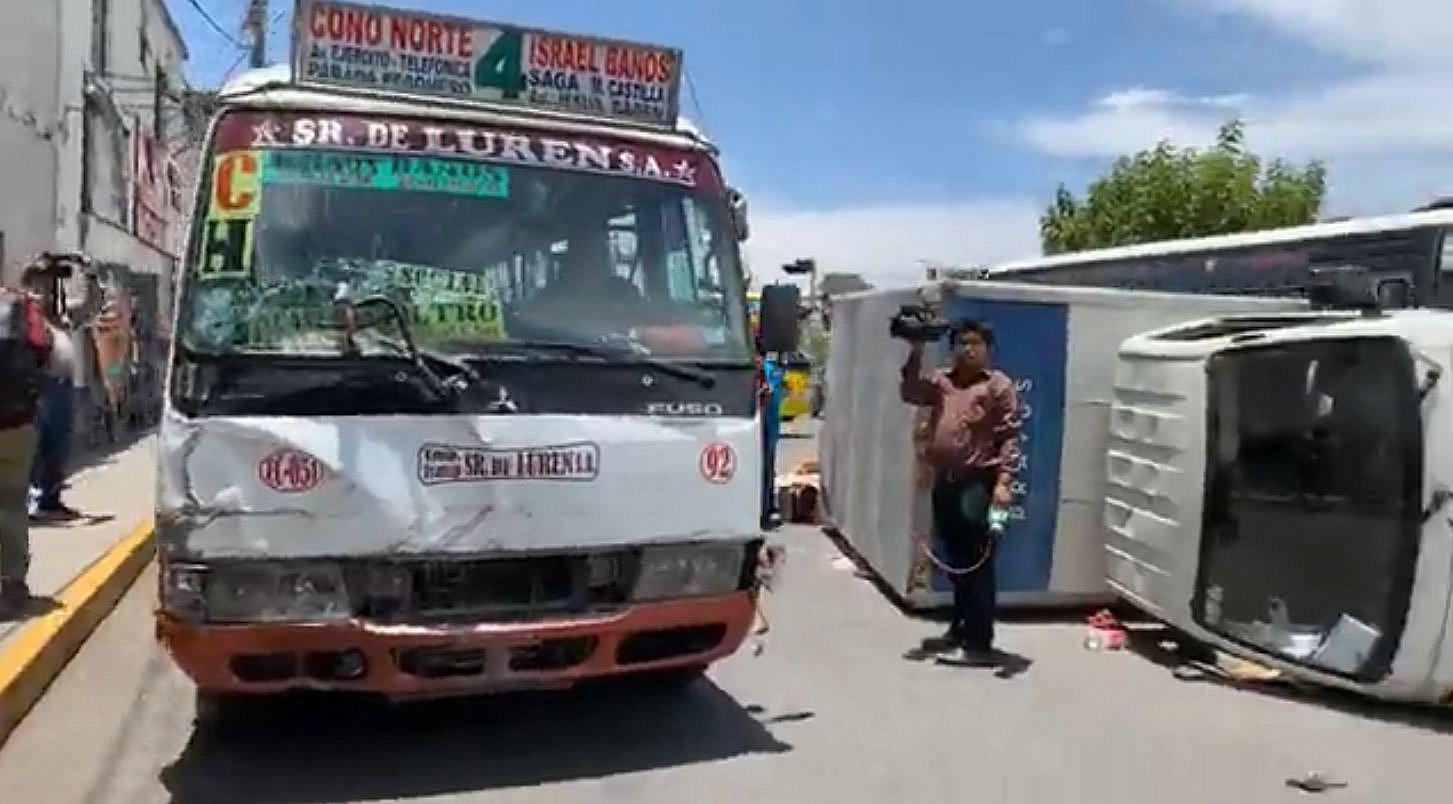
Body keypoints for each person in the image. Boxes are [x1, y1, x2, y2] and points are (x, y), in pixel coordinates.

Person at [899, 319, 1022, 666]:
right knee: (955, 562)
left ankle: (980, 643)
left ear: (988, 349)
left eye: (976, 343)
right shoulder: (942, 382)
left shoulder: (998, 387)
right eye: (962, 342)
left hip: (977, 486)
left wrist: (1003, 482)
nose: (968, 349)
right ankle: (960, 627)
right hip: (947, 483)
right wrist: (916, 350)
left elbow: (1010, 437)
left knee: (978, 564)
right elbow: (910, 392)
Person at [21, 254, 98, 522]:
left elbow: (92, 306)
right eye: (40, 288)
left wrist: (89, 273)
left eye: (51, 287)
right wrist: (36, 267)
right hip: (41, 386)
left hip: (65, 387)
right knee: (38, 446)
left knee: (60, 446)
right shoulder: (26, 317)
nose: (46, 294)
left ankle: (51, 499)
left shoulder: (64, 316)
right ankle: (33, 499)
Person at [0, 271, 54, 612]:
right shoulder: (18, 304)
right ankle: (11, 583)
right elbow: (44, 349)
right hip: (18, 424)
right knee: (11, 504)